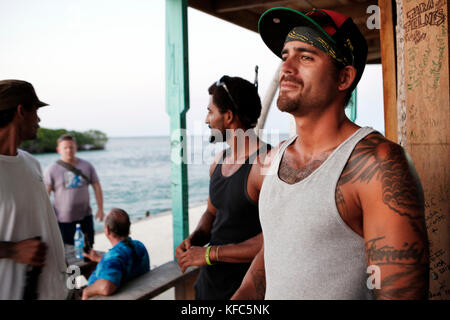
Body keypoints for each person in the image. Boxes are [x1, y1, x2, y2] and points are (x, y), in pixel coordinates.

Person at [232, 8, 429, 300]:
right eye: (285, 56)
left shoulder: (377, 164)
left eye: (306, 57)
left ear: (343, 78)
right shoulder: (269, 164)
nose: (285, 68)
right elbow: (274, 257)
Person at [175, 75, 271, 300]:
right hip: (208, 286)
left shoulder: (265, 164)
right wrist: (197, 238)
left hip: (245, 291)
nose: (207, 120)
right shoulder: (217, 161)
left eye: (210, 112)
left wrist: (209, 254)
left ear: (228, 116)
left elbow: (272, 240)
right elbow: (212, 212)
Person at [0, 79, 67, 299]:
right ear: (21, 111)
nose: (38, 119)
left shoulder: (31, 163)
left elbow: (46, 225)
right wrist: (12, 250)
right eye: (36, 111)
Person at [44, 133, 104, 246]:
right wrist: (46, 218)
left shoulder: (86, 166)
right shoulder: (51, 169)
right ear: (58, 150)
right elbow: (45, 195)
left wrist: (100, 209)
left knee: (88, 248)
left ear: (76, 147)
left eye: (71, 147)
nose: (68, 150)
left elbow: (96, 186)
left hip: (85, 216)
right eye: (65, 148)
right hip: (63, 220)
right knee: (68, 251)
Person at [81, 208, 150, 299]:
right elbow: (123, 264)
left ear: (107, 230)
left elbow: (106, 287)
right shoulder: (139, 246)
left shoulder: (113, 257)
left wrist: (86, 291)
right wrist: (99, 259)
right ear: (128, 226)